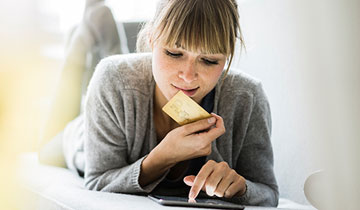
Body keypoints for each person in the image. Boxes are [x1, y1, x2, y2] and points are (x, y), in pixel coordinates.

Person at [42, 0, 279, 207]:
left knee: (123, 73)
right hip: (81, 138)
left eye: (209, 60)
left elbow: (268, 193)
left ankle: (108, 39)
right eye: (174, 54)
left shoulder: (247, 97)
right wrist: (163, 156)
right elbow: (97, 181)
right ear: (152, 37)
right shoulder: (113, 79)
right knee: (45, 150)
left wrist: (241, 188)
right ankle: (80, 46)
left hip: (131, 84)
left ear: (228, 54)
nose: (188, 76)